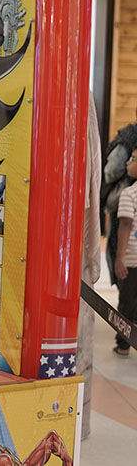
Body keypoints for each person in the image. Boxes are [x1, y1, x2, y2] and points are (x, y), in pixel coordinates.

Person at [102, 108, 137, 285]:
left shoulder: (128, 137)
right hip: (122, 206)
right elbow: (112, 170)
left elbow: (111, 171)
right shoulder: (128, 138)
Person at [113, 147, 137, 357]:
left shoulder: (129, 194)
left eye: (133, 159)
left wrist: (119, 257)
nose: (128, 162)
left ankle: (123, 345)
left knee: (127, 303)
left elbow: (126, 225)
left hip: (131, 260)